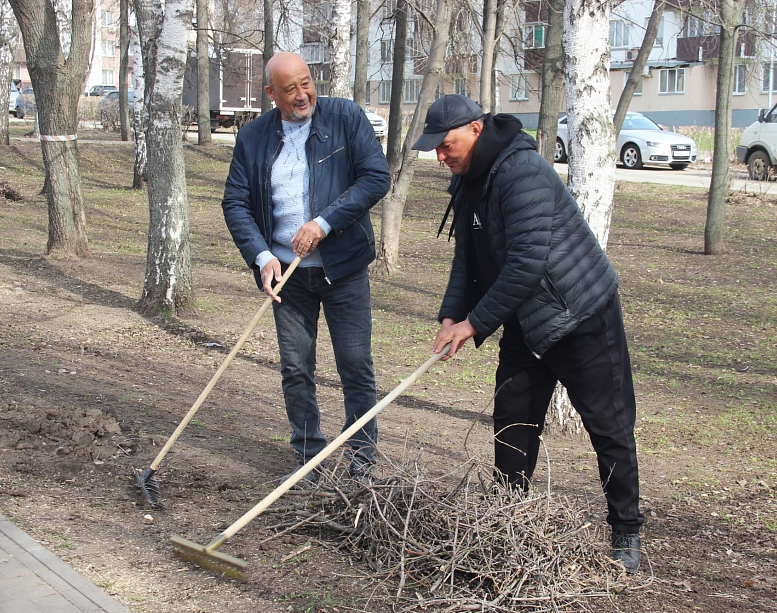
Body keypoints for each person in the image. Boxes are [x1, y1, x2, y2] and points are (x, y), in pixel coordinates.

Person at [413, 95, 645, 574]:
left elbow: (525, 267)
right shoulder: (470, 181)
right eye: (435, 147)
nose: (440, 155)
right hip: (525, 321)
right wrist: (450, 317)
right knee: (513, 423)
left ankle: (625, 532)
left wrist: (474, 324)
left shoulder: (523, 172)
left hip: (580, 315)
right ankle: (507, 524)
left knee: (609, 426)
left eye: (446, 144)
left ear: (475, 129)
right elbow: (468, 260)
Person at [221, 52, 391, 484]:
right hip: (287, 275)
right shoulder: (254, 137)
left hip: (344, 267)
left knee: (355, 365)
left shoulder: (345, 117)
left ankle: (361, 460)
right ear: (270, 94)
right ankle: (308, 458)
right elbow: (236, 202)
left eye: (307, 83)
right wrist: (261, 257)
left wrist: (323, 222)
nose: (302, 96)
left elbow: (375, 177)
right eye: (290, 89)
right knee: (296, 368)